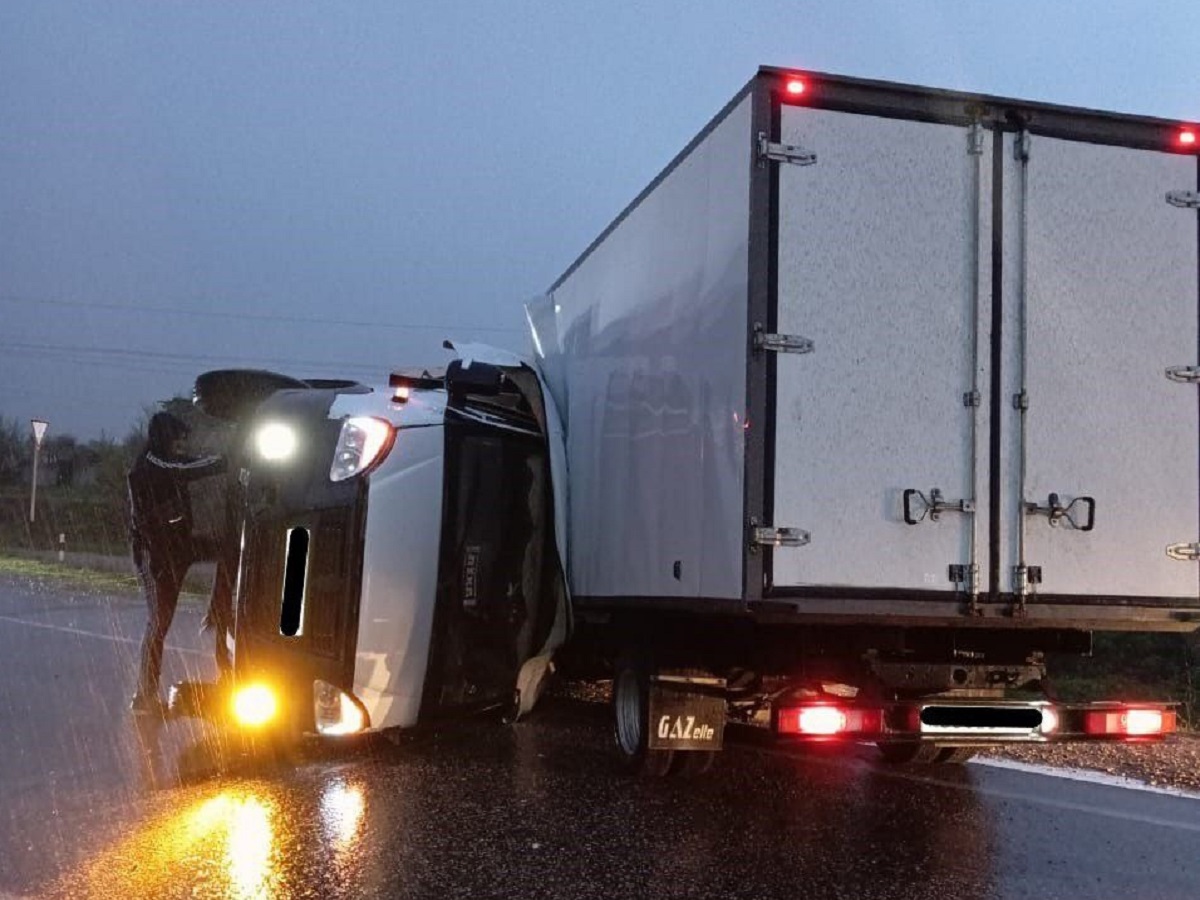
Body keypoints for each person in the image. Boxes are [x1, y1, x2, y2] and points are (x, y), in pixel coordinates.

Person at [127, 411, 225, 714]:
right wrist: (227, 461)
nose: (182, 445)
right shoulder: (152, 464)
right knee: (159, 622)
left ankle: (220, 615)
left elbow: (188, 464)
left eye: (185, 440)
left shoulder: (165, 461)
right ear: (164, 439)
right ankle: (144, 695)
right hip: (155, 553)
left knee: (230, 551)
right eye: (178, 440)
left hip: (179, 546)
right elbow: (187, 468)